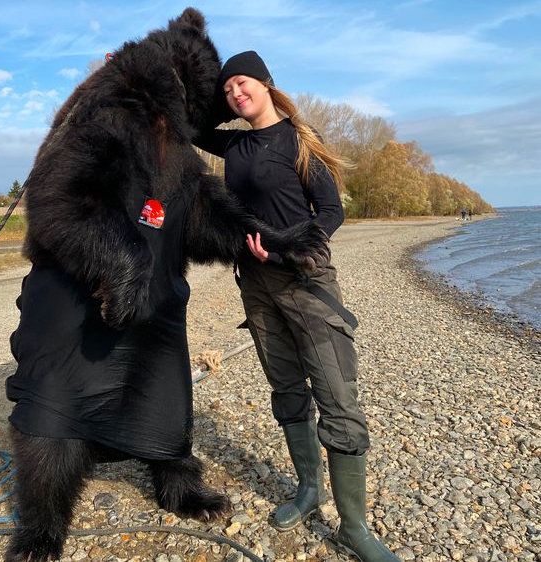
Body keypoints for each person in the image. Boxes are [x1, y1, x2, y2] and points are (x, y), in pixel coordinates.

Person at [195, 51, 400, 561]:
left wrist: (289, 248)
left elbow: (330, 212)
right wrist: (134, 75)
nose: (235, 94)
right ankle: (309, 490)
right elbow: (186, 123)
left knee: (337, 398)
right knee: (286, 390)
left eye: (242, 83)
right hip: (255, 285)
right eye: (227, 90)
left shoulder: (300, 139)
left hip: (305, 281)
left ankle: (354, 527)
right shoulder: (233, 144)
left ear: (266, 83)